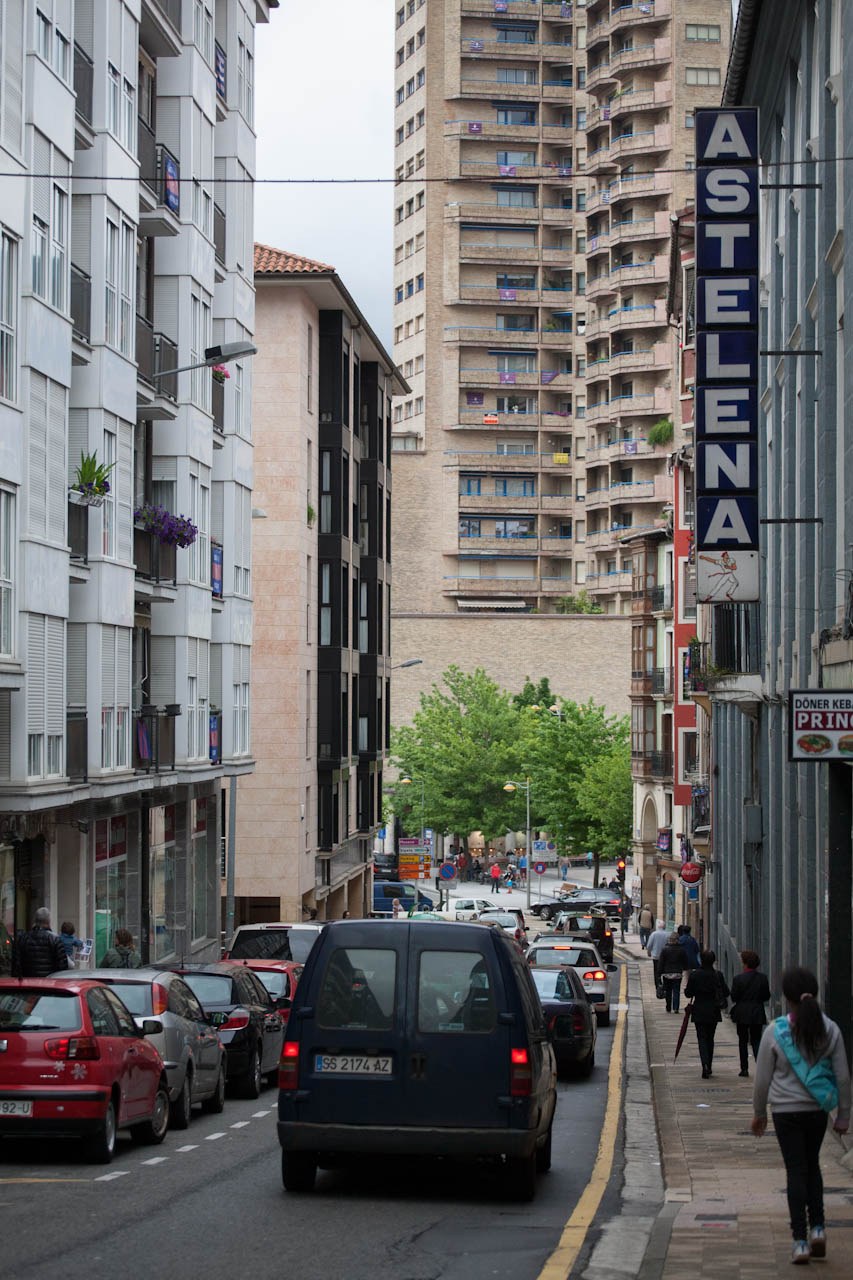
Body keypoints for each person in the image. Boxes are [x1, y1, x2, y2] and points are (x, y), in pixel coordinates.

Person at [751, 967, 851, 1265]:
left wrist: (759, 1113)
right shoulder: (830, 1029)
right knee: (812, 1167)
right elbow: (843, 1077)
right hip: (816, 1111)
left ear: (786, 996)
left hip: (785, 1112)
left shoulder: (775, 1031)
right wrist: (843, 1116)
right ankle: (818, 1228)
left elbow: (761, 1080)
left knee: (795, 1171)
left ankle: (800, 1242)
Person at [684, 950, 730, 1078]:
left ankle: (704, 1064)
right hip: (713, 1010)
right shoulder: (718, 975)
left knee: (701, 1038)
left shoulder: (695, 975)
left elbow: (688, 993)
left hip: (699, 1009)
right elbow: (726, 992)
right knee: (710, 1038)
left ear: (701, 960)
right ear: (713, 961)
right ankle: (709, 1065)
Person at [730, 949, 771, 1077]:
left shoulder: (738, 979)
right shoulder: (762, 978)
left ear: (745, 963)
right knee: (756, 1039)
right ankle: (760, 1066)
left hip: (742, 1012)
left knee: (742, 1041)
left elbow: (734, 997)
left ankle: (744, 1068)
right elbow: (766, 996)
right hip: (757, 1011)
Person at [11, 908, 68, 977]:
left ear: (35, 921)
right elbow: (62, 967)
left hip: (28, 981)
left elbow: (16, 964)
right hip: (49, 981)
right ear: (48, 921)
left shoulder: (23, 938)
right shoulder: (55, 939)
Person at [658, 931, 688, 1013]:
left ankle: (668, 1007)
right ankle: (676, 1008)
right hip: (677, 973)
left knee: (668, 991)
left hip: (667, 973)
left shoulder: (665, 949)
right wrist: (684, 968)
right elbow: (685, 961)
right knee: (676, 991)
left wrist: (659, 973)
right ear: (677, 940)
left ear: (670, 940)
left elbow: (661, 962)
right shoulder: (682, 950)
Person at [646, 919, 669, 990]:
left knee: (656, 971)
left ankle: (658, 986)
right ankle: (665, 985)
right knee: (665, 971)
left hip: (656, 956)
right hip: (665, 956)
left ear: (658, 927)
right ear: (664, 927)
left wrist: (649, 952)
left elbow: (649, 945)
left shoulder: (654, 934)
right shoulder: (668, 934)